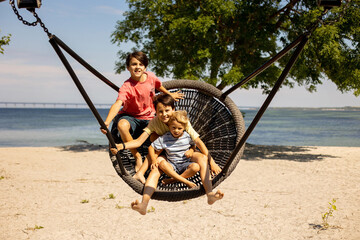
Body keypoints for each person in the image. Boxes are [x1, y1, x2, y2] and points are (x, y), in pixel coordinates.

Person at [110, 94, 221, 183]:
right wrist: (122, 146)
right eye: (160, 112)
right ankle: (140, 173)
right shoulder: (155, 122)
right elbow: (139, 141)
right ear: (156, 112)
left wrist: (212, 162)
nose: (164, 114)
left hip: (181, 151)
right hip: (165, 149)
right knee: (154, 142)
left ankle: (177, 180)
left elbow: (197, 141)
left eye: (167, 111)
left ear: (173, 109)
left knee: (158, 144)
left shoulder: (180, 120)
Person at [101, 51, 183, 172]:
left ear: (145, 66)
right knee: (121, 125)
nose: (138, 67)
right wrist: (107, 122)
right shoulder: (127, 86)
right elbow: (118, 103)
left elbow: (158, 86)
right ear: (128, 67)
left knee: (158, 136)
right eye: (134, 64)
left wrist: (169, 94)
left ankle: (162, 159)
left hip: (149, 118)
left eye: (141, 64)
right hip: (131, 117)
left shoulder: (150, 77)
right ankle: (137, 156)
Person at [130, 111, 224, 215]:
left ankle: (209, 194)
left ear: (184, 127)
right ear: (169, 126)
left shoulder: (188, 136)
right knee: (158, 166)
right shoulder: (165, 137)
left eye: (179, 128)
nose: (176, 131)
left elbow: (194, 144)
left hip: (185, 163)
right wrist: (153, 160)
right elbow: (151, 147)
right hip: (171, 164)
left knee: (197, 165)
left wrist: (192, 150)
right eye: (173, 128)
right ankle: (144, 204)